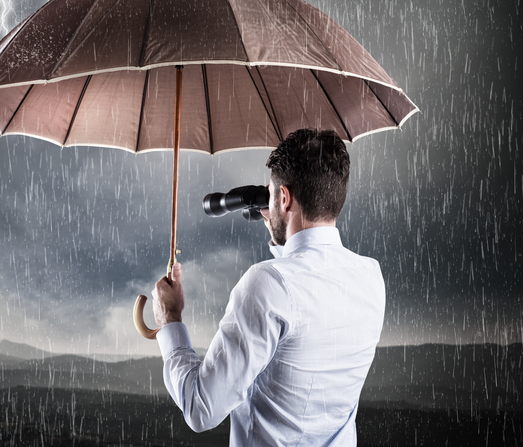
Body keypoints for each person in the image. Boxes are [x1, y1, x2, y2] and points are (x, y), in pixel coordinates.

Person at [152, 128, 385, 446]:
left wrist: (170, 322)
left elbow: (200, 408)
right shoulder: (370, 276)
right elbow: (303, 288)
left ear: (285, 198)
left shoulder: (265, 284)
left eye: (275, 194)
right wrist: (282, 228)